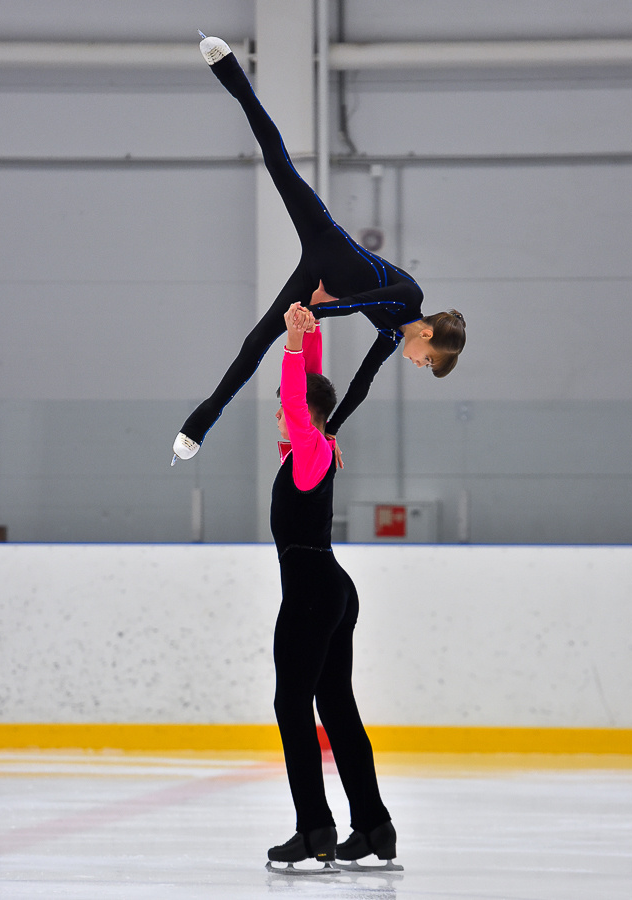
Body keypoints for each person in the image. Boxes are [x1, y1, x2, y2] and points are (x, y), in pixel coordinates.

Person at [171, 35, 466, 464]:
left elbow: (361, 384)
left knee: (254, 344)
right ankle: (229, 70)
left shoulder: (388, 335)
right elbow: (363, 301)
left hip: (314, 281)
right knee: (278, 163)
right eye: (429, 360)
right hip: (325, 237)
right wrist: (320, 311)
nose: (420, 365)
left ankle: (197, 425)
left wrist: (329, 433)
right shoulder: (410, 297)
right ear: (426, 334)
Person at [266, 301, 401, 873]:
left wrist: (294, 347)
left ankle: (314, 827)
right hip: (331, 586)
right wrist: (308, 336)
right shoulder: (315, 448)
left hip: (312, 592)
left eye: (283, 408)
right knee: (335, 705)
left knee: (291, 703)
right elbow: (310, 397)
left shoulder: (312, 449)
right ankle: (373, 826)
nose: (279, 414)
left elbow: (300, 399)